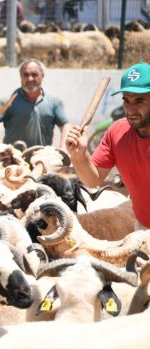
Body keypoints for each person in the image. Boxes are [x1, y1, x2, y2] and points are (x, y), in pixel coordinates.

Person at [65, 63, 150, 230]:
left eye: (139, 101)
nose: (130, 109)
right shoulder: (117, 132)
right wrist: (79, 157)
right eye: (126, 100)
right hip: (142, 227)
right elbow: (93, 179)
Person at [0, 59, 71, 148]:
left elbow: (65, 125)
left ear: (42, 76)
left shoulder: (54, 102)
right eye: (26, 75)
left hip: (42, 158)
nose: (30, 79)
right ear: (20, 76)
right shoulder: (8, 101)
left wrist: (63, 148)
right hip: (12, 158)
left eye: (34, 75)